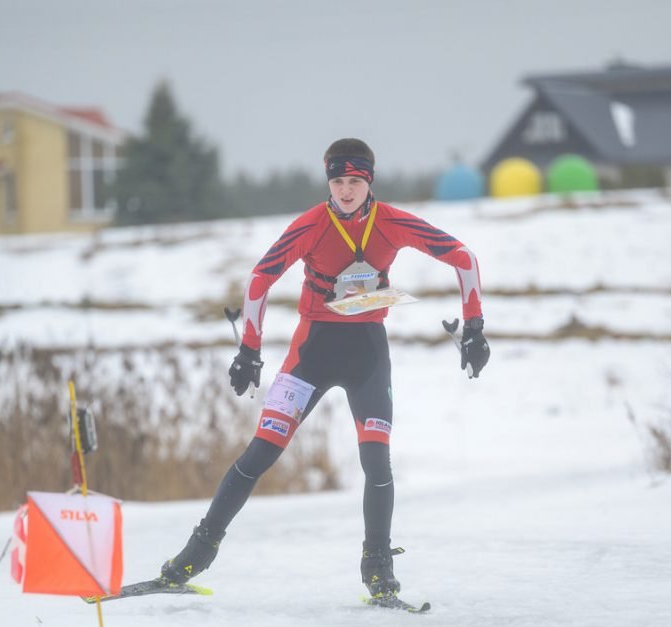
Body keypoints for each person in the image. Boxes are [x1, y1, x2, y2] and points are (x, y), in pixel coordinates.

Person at [159, 138, 489, 599]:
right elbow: (260, 278)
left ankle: (377, 568)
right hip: (311, 352)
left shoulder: (392, 222)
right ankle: (194, 556)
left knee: (376, 460)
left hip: (367, 355)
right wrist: (249, 351)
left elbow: (464, 258)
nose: (346, 190)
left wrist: (473, 327)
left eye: (354, 181)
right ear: (328, 182)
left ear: (368, 181)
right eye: (337, 181)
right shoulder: (312, 224)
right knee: (261, 453)